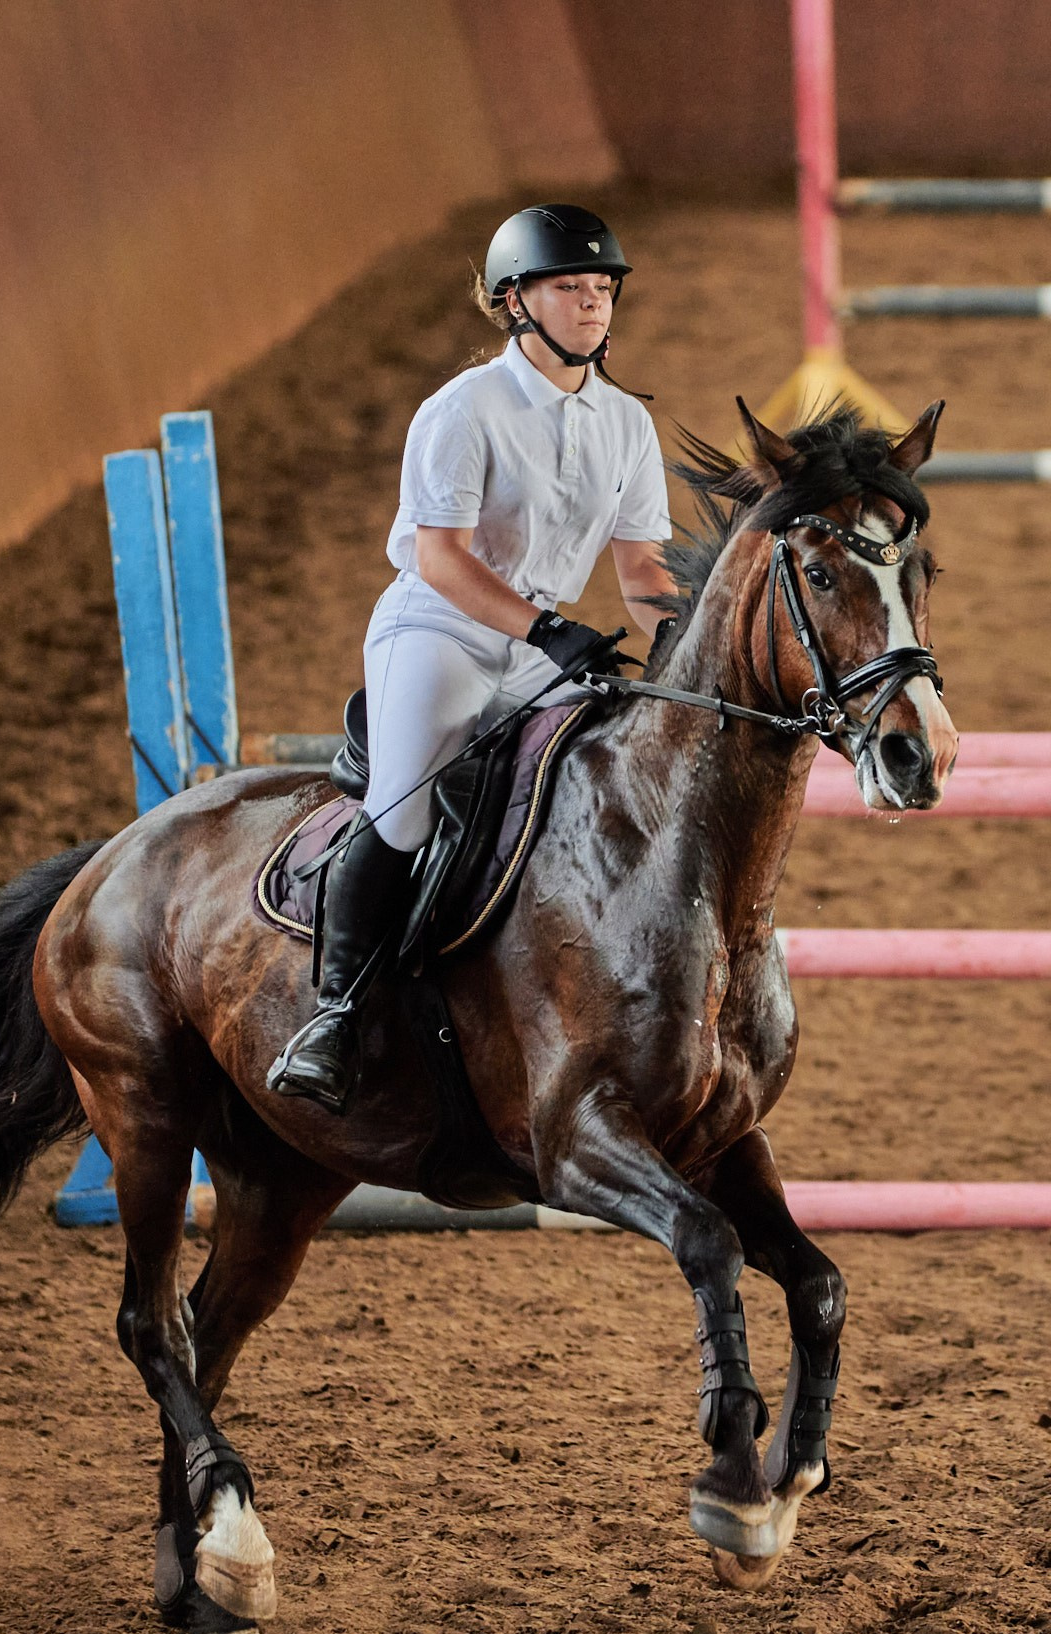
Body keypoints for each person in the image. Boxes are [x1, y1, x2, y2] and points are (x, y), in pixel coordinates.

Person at [267, 204, 674, 1113]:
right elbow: (442, 556)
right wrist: (542, 627)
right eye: (570, 287)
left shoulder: (626, 426)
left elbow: (643, 569)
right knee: (406, 808)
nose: (593, 305)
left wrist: (683, 655)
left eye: (603, 289)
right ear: (514, 303)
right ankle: (333, 1014)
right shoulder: (463, 409)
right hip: (438, 630)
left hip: (543, 648)